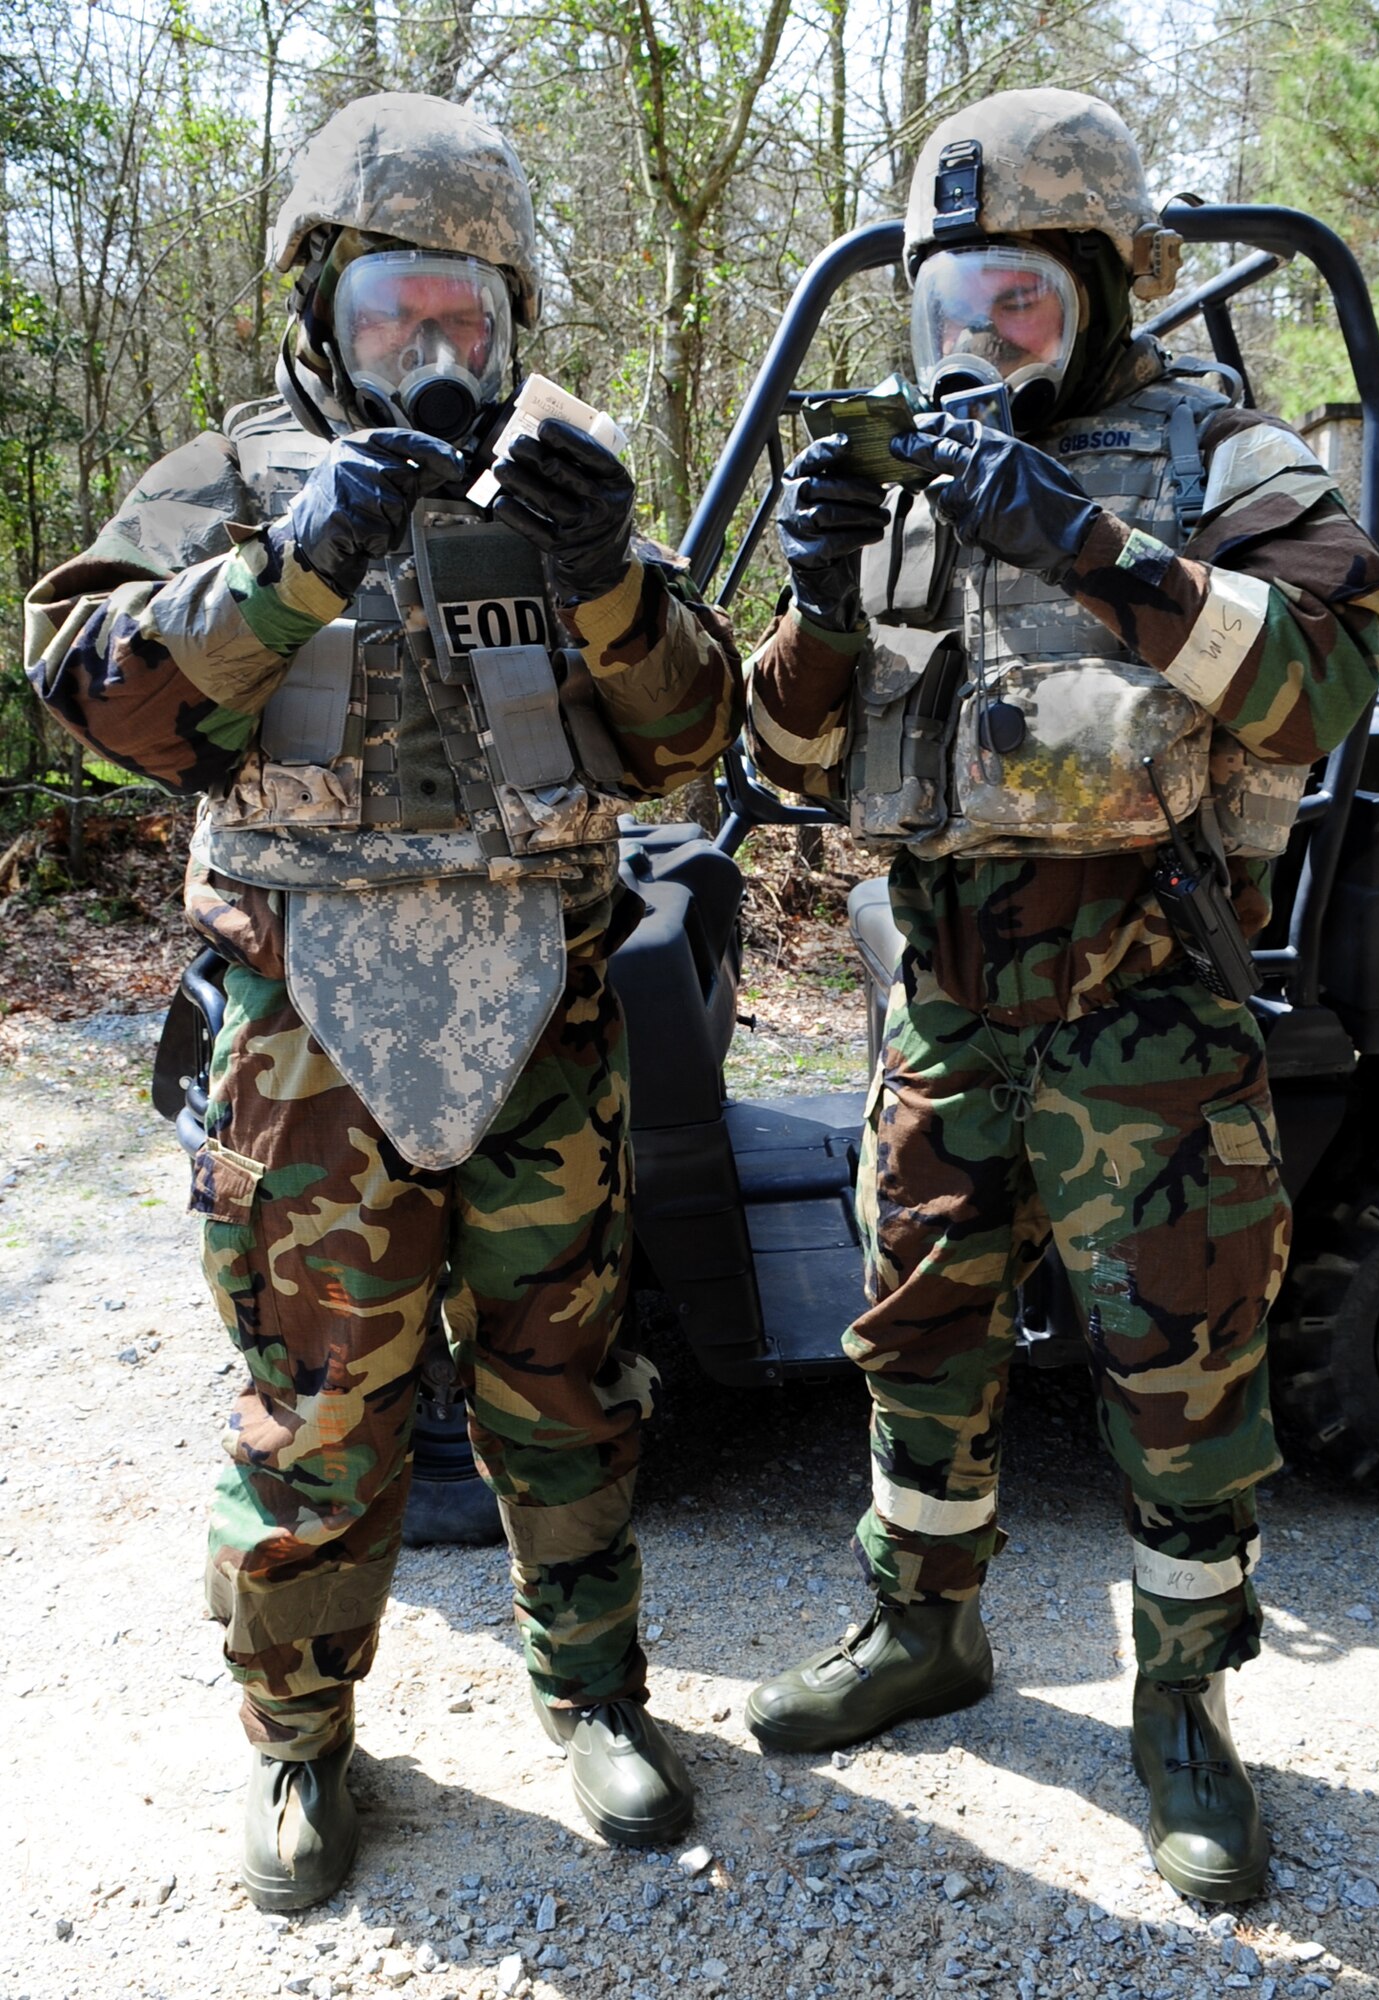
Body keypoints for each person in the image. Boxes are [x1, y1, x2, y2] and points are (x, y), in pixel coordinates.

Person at [24, 92, 742, 1908]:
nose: (432, 352)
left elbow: (684, 744)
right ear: (319, 309)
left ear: (511, 318)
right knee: (321, 1407)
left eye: (465, 317)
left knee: (563, 1383)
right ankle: (295, 1745)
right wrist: (297, 555)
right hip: (308, 1044)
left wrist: (606, 583)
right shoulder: (234, 473)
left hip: (539, 1023)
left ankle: (592, 1697)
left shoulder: (567, 481)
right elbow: (101, 703)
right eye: (391, 315)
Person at [742, 87, 1379, 1902]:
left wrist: (1093, 547)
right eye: (952, 298)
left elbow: (1323, 682)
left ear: (1107, 288)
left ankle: (1181, 1706)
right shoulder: (897, 477)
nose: (982, 335)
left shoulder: (1222, 458)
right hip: (938, 990)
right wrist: (808, 601)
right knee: (916, 1334)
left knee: (1183, 1373)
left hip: (1146, 998)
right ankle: (920, 1628)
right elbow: (793, 757)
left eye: (1020, 294)